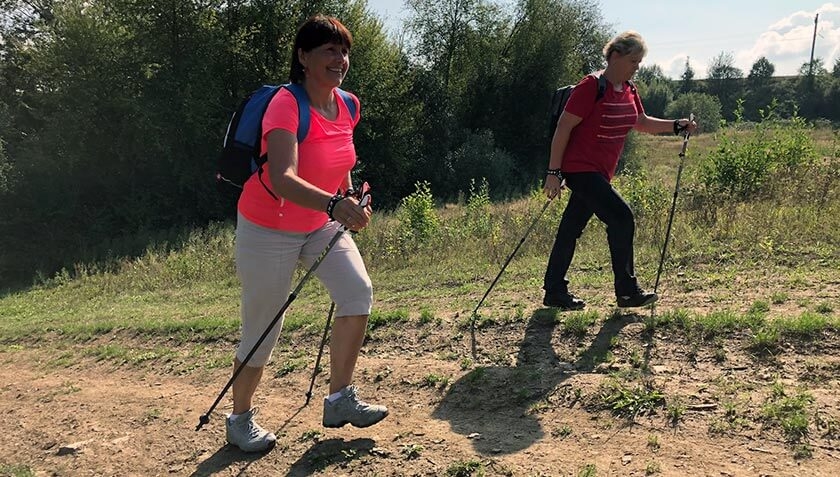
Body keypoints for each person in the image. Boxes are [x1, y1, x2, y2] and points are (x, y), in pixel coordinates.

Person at [226, 15, 387, 453]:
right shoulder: (286, 103)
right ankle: (239, 419)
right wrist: (336, 204)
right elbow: (282, 177)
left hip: (319, 224)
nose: (340, 59)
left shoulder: (348, 104)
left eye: (344, 51)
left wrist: (351, 194)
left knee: (357, 292)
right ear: (304, 57)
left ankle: (339, 399)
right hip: (267, 228)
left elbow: (341, 158)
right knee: (263, 327)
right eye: (329, 51)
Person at [542, 31, 697, 311]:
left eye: (639, 62)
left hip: (600, 172)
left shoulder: (629, 90)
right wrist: (554, 172)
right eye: (633, 60)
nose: (637, 66)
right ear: (615, 56)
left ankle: (554, 291)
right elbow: (564, 127)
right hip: (579, 169)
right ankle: (627, 292)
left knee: (570, 229)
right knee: (622, 217)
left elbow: (641, 122)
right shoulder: (591, 86)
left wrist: (677, 125)